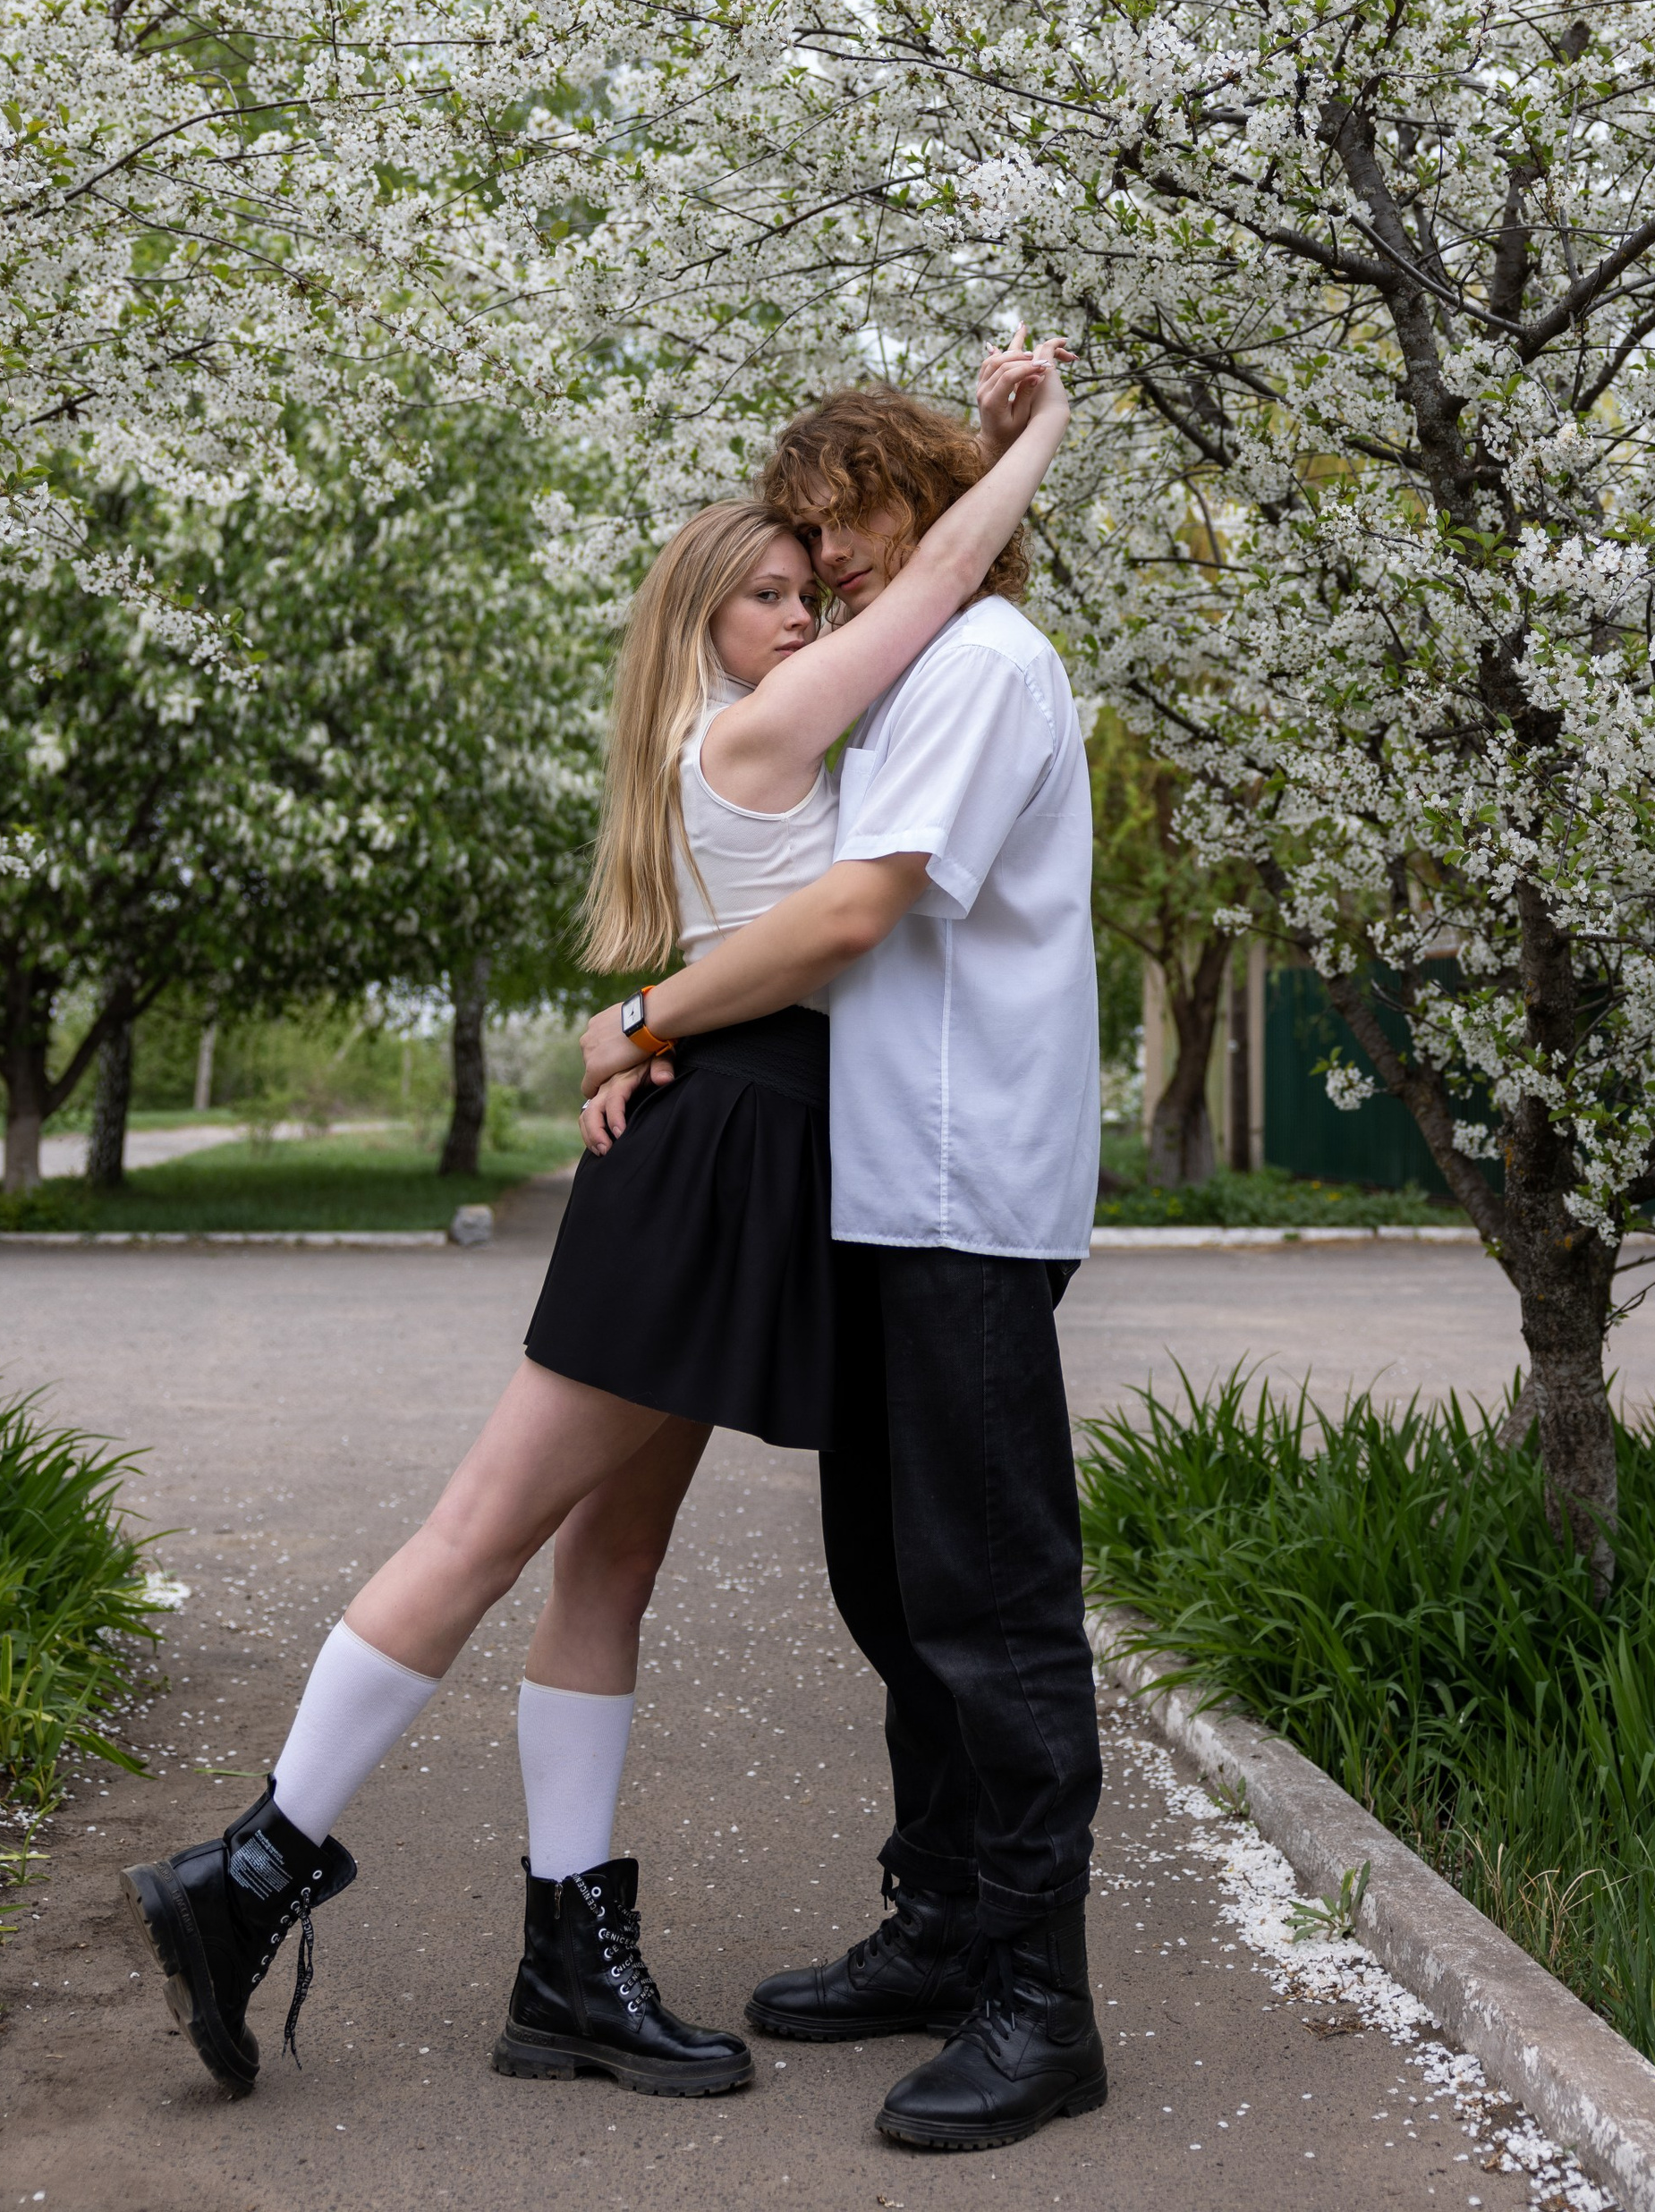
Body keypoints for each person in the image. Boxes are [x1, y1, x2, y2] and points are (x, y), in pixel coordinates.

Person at [120, 338, 1071, 2109]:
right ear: (704, 623)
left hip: (745, 1157)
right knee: (488, 1523)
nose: (805, 610)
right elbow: (941, 567)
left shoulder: (762, 734)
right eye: (771, 590)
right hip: (721, 1171)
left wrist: (640, 1024)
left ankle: (567, 1956)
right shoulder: (765, 721)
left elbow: (920, 612)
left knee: (602, 1562)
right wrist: (1033, 441)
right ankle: (247, 1865)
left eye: (811, 583)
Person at [578, 380, 1105, 2156]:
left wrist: (635, 1014)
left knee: (990, 1599)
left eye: (845, 523)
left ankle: (1040, 1999)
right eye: (802, 539)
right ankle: (944, 1918)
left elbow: (856, 908)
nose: (822, 560)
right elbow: (788, 922)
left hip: (963, 1188)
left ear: (917, 505)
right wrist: (683, 1035)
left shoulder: (975, 664)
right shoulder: (907, 669)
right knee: (894, 1590)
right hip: (881, 1191)